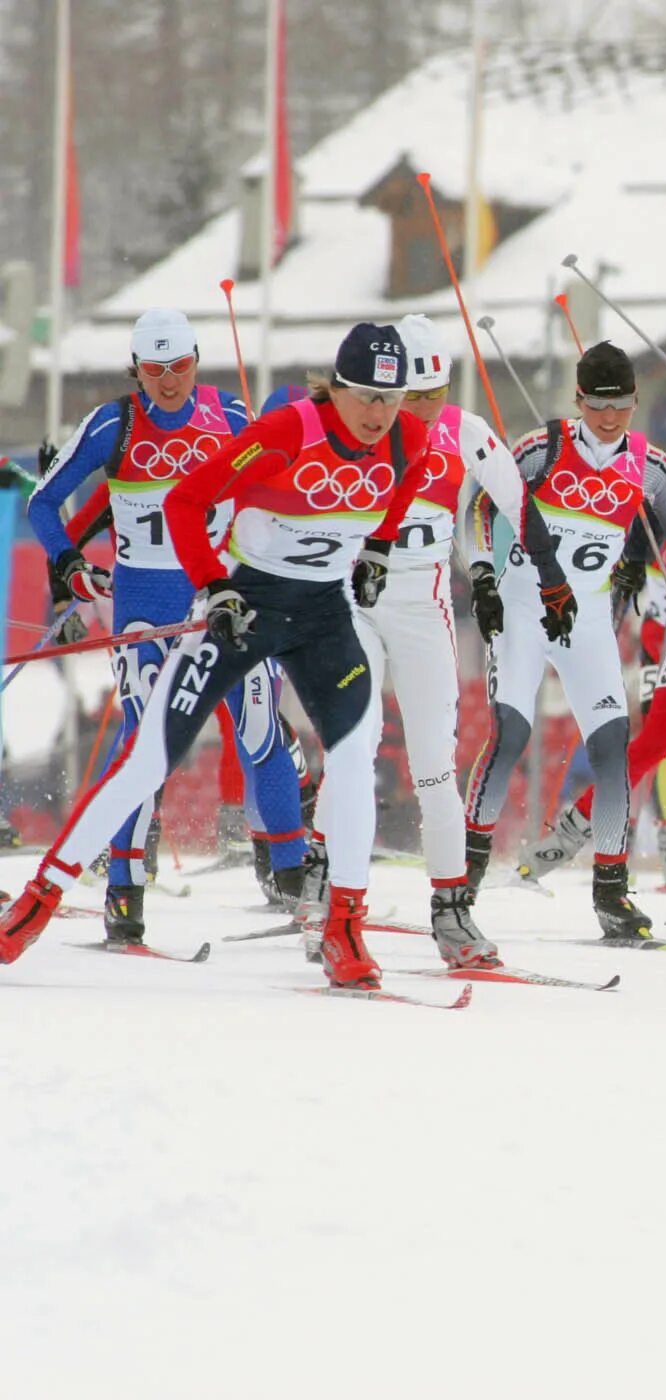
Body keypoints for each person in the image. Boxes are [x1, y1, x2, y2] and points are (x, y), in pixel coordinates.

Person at [0, 325, 427, 989]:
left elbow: (407, 485)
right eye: (366, 397)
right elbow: (187, 497)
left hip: (322, 619)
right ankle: (35, 905)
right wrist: (214, 584)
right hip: (244, 610)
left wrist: (378, 548)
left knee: (349, 759)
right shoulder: (287, 430)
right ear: (337, 388)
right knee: (147, 758)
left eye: (391, 400)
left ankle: (343, 927)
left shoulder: (408, 438)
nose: (378, 415)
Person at [28, 308, 309, 935]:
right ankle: (124, 894)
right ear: (136, 371)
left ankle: (295, 882)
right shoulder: (113, 423)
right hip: (145, 608)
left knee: (260, 730)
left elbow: (282, 489)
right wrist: (70, 567)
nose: (168, 381)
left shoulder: (233, 417)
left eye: (178, 366)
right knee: (144, 748)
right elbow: (43, 501)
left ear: (196, 362)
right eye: (154, 371)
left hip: (222, 599)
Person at [299, 314, 565, 969]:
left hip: (422, 606)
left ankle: (451, 910)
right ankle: (325, 884)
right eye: (406, 398)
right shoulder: (353, 427)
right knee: (352, 748)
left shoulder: (464, 432)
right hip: (354, 604)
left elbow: (517, 501)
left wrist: (553, 579)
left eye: (433, 395)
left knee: (435, 767)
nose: (418, 411)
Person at [462, 342, 666, 940]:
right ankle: (463, 875)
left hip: (585, 618)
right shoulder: (543, 449)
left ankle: (612, 893)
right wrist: (483, 576)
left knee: (614, 746)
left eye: (619, 406)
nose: (609, 418)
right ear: (578, 400)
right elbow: (483, 509)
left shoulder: (651, 467)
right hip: (520, 610)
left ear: (635, 401)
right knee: (511, 735)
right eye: (596, 406)